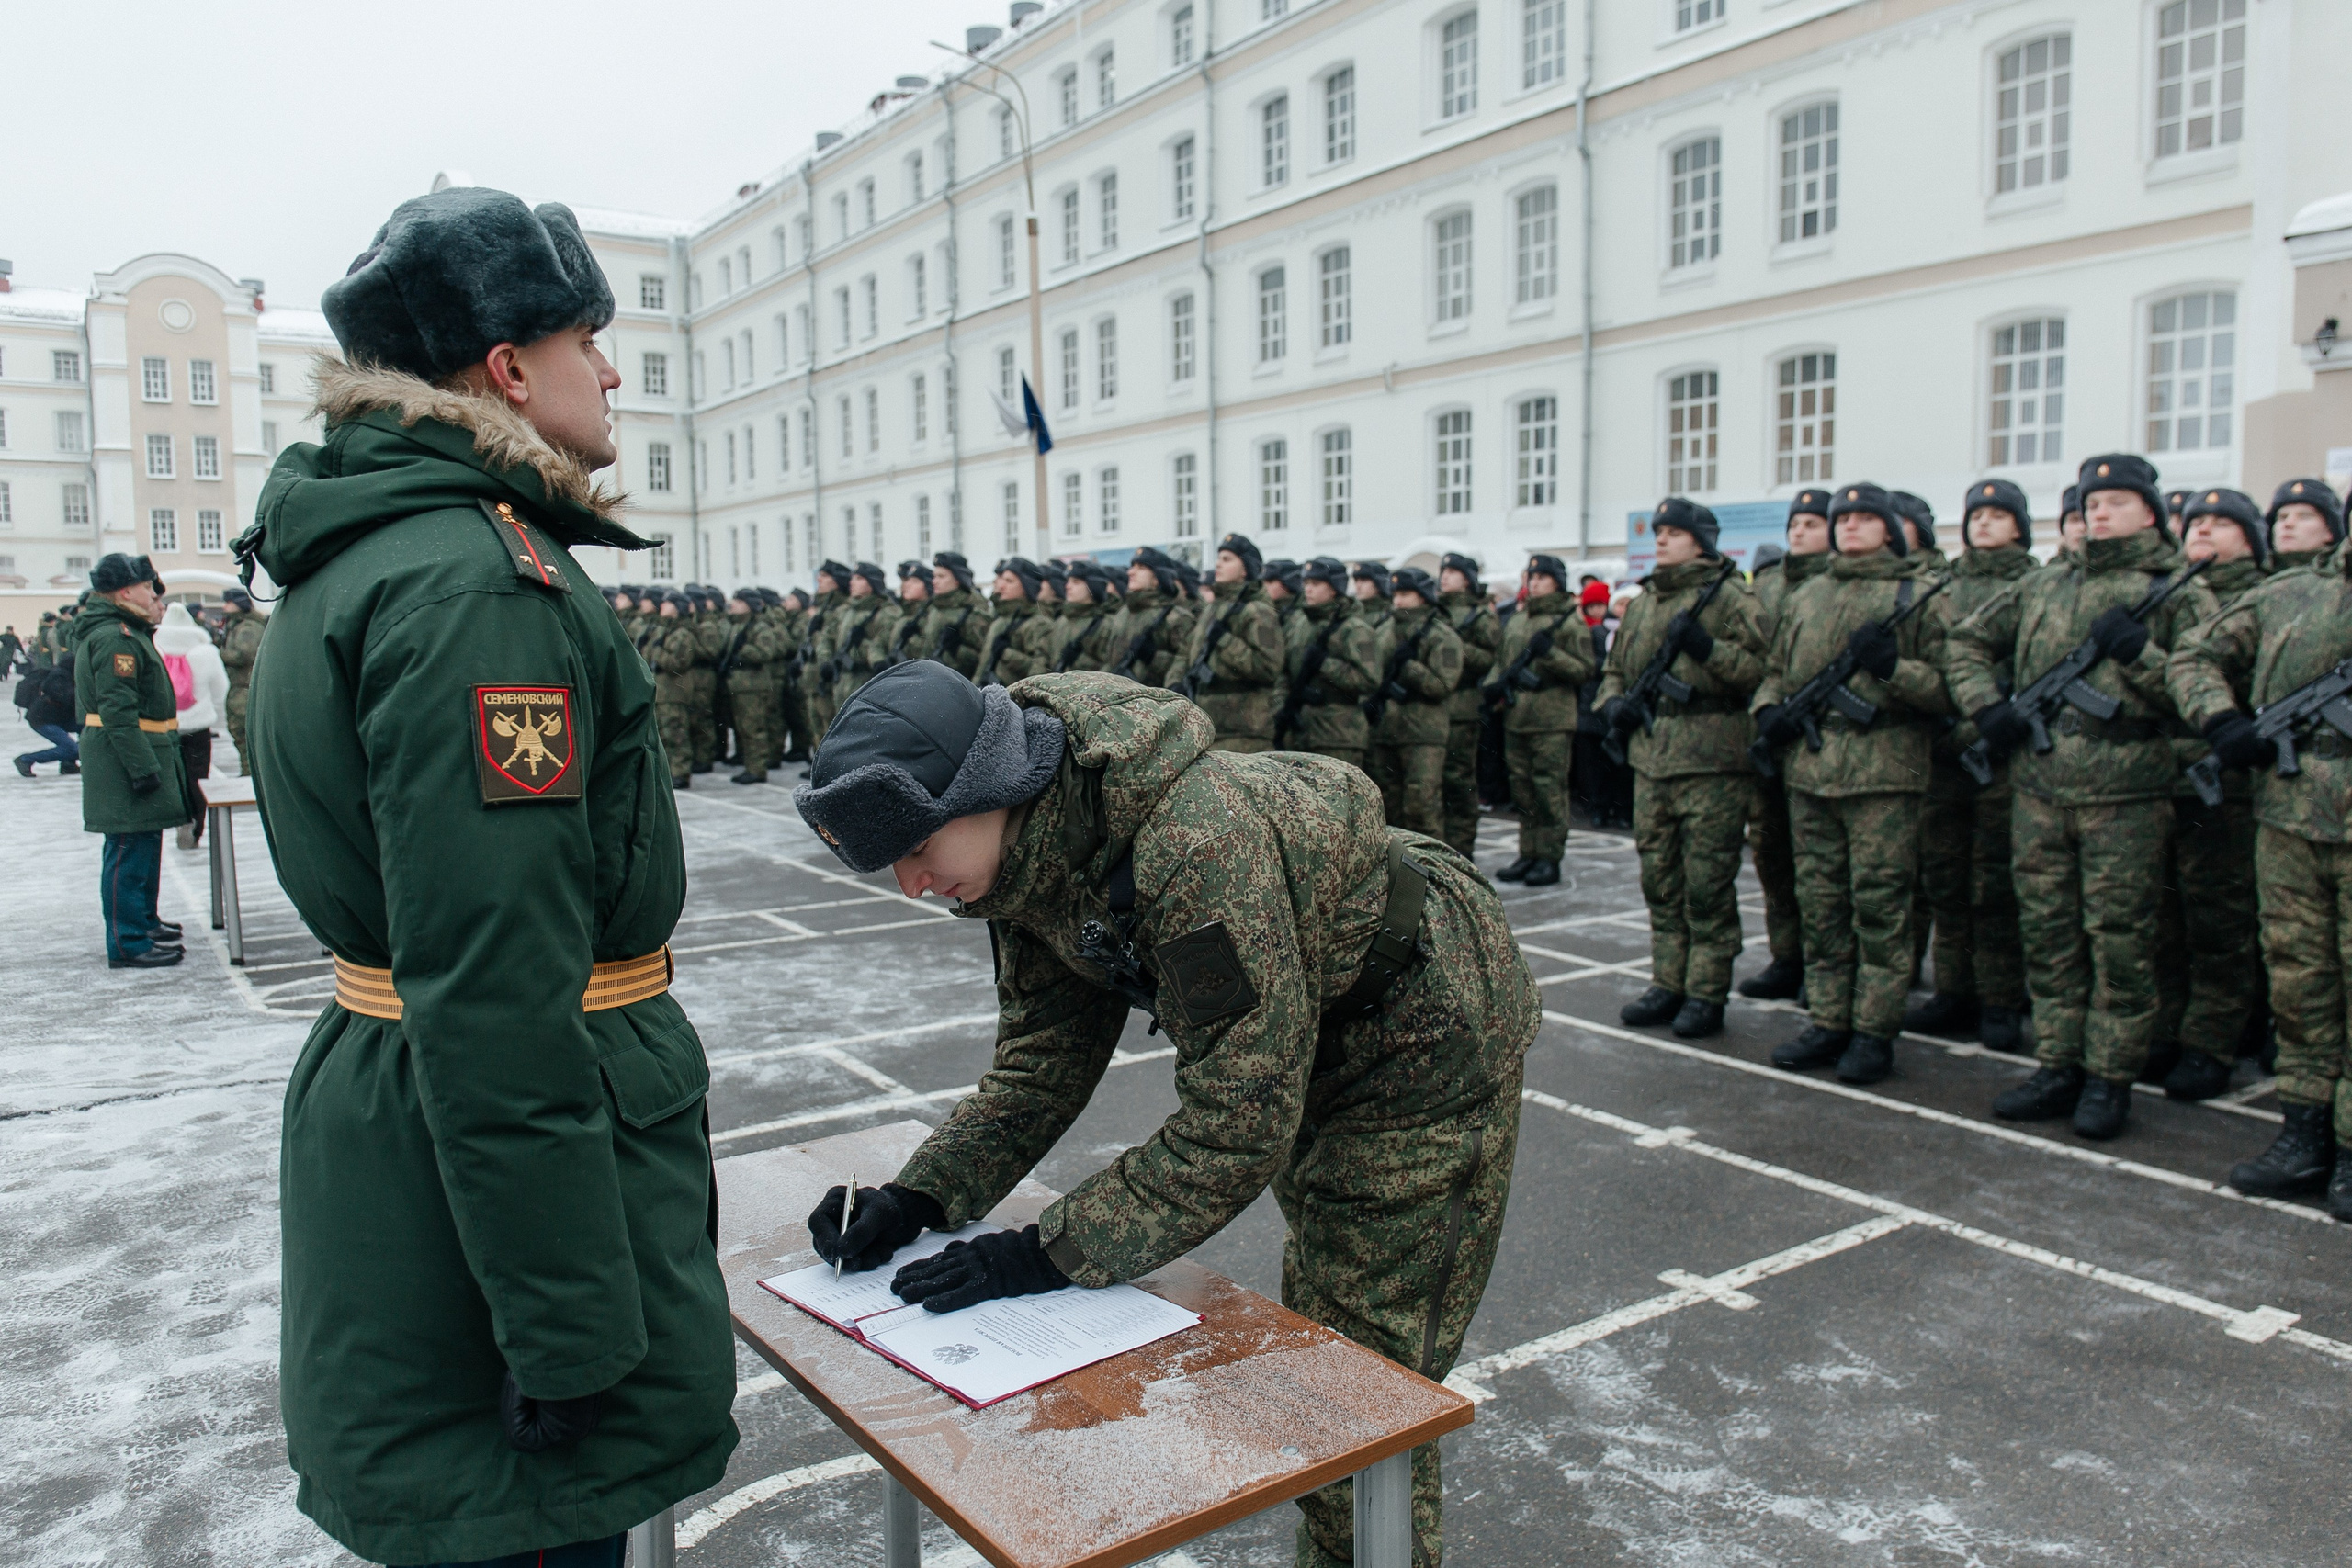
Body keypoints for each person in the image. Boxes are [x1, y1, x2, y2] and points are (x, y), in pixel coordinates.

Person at [242, 186, 735, 1564]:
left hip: (427, 1148)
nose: (617, 371)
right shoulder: (477, 584)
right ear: (509, 367)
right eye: (592, 338)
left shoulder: (373, 553)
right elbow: (496, 982)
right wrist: (568, 1326)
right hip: (494, 1199)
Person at [793, 662, 1540, 1568]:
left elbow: (1236, 1127)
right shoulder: (1021, 855)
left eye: (917, 849)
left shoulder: (1191, 847)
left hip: (1417, 1038)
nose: (911, 883)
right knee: (1325, 1350)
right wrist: (917, 1197)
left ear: (986, 790)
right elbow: (1038, 1066)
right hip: (1304, 1013)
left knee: (1352, 1390)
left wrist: (1044, 1252)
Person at [1949, 454, 2214, 1139]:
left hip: (2126, 791)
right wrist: (1988, 708)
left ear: (2150, 513)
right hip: (2039, 788)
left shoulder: (2175, 588)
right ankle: (2059, 1063)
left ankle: (2110, 1076)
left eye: (2117, 501)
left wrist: (2140, 656)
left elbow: (2203, 691)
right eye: (2092, 501)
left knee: (2120, 941)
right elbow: (1968, 641)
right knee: (2049, 934)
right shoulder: (2047, 582)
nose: (2099, 511)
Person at [2170, 511, 2352, 1216]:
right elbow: (2193, 654)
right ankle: (2304, 1133)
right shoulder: (2289, 593)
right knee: (2300, 980)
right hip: (2290, 822)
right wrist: (2220, 719)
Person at [1754, 483, 1952, 1087]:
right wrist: (1769, 711)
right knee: (1822, 904)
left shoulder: (1916, 596)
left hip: (1886, 775)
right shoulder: (1808, 594)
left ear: (1891, 529)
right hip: (1812, 773)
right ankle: (1830, 1019)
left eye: (1866, 518)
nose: (1851, 527)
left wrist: (1894, 667)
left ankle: (1874, 1030)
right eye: (1843, 518)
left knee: (1879, 905)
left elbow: (1948, 690)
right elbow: (1775, 672)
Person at [1599, 500, 1768, 1041]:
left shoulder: (1731, 598)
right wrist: (1613, 705)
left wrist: (1708, 650)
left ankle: (1706, 992)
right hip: (1654, 760)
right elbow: (1614, 669)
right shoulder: (1646, 601)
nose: (1662, 540)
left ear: (1702, 540)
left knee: (1707, 884)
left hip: (1713, 762)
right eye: (1660, 532)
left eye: (1675, 532)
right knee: (1660, 880)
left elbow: (1760, 671)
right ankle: (1668, 981)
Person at [2148, 488, 2269, 1097]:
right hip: (2159, 775)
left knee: (2218, 920)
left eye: (2222, 523)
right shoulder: (2164, 591)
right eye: (2196, 522)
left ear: (2251, 539)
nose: (2203, 531)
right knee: (2164, 918)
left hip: (2226, 782)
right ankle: (2166, 1029)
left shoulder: (2264, 599)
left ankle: (2211, 1041)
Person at [1909, 480, 2037, 1053]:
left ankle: (2002, 999)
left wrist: (1979, 723)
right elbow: (1925, 663)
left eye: (1998, 514)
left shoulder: (2035, 585)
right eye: (1976, 515)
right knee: (1944, 880)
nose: (1983, 524)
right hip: (1943, 755)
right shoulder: (1940, 586)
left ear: (2020, 526)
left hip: (2003, 756)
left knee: (1995, 884)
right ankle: (1954, 990)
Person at [75, 553, 189, 968]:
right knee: (127, 848)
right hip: (125, 757)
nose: (153, 593)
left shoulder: (128, 632)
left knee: (143, 843)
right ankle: (128, 942)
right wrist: (142, 768)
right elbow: (117, 711)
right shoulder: (116, 637)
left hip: (136, 751)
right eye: (146, 587)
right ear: (125, 591)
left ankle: (143, 921)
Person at [1740, 491, 1833, 1000]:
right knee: (1772, 855)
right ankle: (1787, 955)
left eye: (1812, 523)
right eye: (1794, 523)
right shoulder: (1768, 585)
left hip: (1822, 747)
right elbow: (1755, 656)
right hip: (1768, 735)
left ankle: (1825, 973)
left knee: (1819, 869)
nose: (1798, 532)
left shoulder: (1835, 583)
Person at [1484, 554, 1595, 887]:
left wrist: (1551, 654)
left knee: (1549, 789)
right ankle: (1528, 852)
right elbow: (1502, 661)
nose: (1533, 582)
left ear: (1557, 582)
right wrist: (1492, 686)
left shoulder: (1568, 622)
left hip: (1552, 717)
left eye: (1542, 577)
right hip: (1518, 716)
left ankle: (1549, 857)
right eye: (1530, 576)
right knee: (1524, 789)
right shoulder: (1517, 621)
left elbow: (1584, 670)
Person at [1182, 533, 1288, 750]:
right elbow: (1189, 654)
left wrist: (1225, 640)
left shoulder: (1258, 611)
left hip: (1244, 730)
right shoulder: (1213, 608)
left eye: (1228, 559)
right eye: (1219, 558)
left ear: (1245, 569)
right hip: (1209, 725)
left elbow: (1267, 667)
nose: (1218, 564)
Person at [1276, 557, 1380, 766]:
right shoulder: (1298, 625)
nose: (1308, 590)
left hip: (1339, 734)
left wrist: (1325, 665)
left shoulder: (1355, 629)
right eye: (1306, 584)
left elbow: (1369, 679)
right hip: (1300, 730)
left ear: (1334, 588)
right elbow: (1283, 671)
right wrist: (1281, 706)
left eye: (1315, 584)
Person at [1438, 553, 1502, 858]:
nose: (1445, 577)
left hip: (1463, 707)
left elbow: (1489, 660)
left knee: (1458, 780)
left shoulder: (1481, 615)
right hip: (1433, 706)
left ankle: (1462, 847)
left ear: (1467, 578)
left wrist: (1451, 644)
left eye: (1452, 571)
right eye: (1443, 571)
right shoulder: (1434, 611)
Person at [153, 601, 230, 845]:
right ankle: (197, 826)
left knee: (173, 778)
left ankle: (180, 819)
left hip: (164, 726)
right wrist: (216, 713)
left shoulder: (154, 646)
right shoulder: (206, 652)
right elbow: (221, 689)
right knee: (198, 779)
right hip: (198, 727)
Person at [1106, 547, 1197, 688]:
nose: (1131, 572)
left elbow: (1186, 666)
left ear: (1157, 578)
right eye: (1132, 567)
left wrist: (1153, 657)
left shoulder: (1176, 618)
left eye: (1141, 568)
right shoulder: (1123, 614)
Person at [720, 589, 786, 784]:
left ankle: (757, 769)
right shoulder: (738, 626)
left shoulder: (759, 627)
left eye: (739, 601)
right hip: (741, 685)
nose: (734, 604)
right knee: (744, 729)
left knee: (754, 729)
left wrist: (743, 651)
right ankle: (751, 766)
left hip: (754, 686)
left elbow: (766, 652)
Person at [976, 558, 1046, 687]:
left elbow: (1040, 674)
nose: (1001, 586)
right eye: (1002, 579)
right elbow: (982, 667)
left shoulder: (1038, 624)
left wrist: (1006, 654)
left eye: (1009, 581)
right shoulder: (1000, 620)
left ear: (1027, 586)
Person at [218, 585, 266, 769]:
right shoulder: (236, 625)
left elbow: (244, 654)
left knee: (245, 735)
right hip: (239, 688)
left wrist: (220, 654)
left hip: (245, 689)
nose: (225, 607)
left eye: (228, 602)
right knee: (239, 734)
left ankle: (249, 776)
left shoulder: (248, 627)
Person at [922, 552, 992, 676]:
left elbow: (985, 659)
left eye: (941, 576)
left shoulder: (973, 611)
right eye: (934, 576)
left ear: (957, 579)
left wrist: (957, 650)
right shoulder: (934, 609)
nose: (934, 581)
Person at [13, 658, 81, 776]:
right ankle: (25, 760)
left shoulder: (67, 675)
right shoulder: (59, 676)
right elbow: (64, 695)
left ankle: (68, 763)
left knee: (90, 727)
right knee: (71, 748)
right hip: (42, 720)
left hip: (58, 717)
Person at [1054, 559, 1122, 671]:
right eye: (1068, 581)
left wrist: (1079, 662)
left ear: (1093, 586)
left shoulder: (1108, 624)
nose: (1067, 586)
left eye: (1075, 582)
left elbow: (1112, 667)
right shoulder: (1060, 622)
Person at [2266, 477, 2344, 572]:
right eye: (2282, 517)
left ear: (2330, 531)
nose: (2288, 524)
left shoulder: (2341, 580)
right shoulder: (2253, 580)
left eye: (2304, 516)